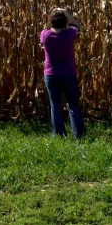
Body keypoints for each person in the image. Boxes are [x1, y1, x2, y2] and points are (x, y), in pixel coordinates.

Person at [40, 8, 86, 138]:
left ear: (51, 22)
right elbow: (76, 25)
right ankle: (80, 135)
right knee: (73, 104)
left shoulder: (45, 34)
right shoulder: (70, 34)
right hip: (68, 74)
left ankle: (59, 135)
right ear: (65, 22)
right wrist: (65, 12)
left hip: (51, 75)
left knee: (55, 105)